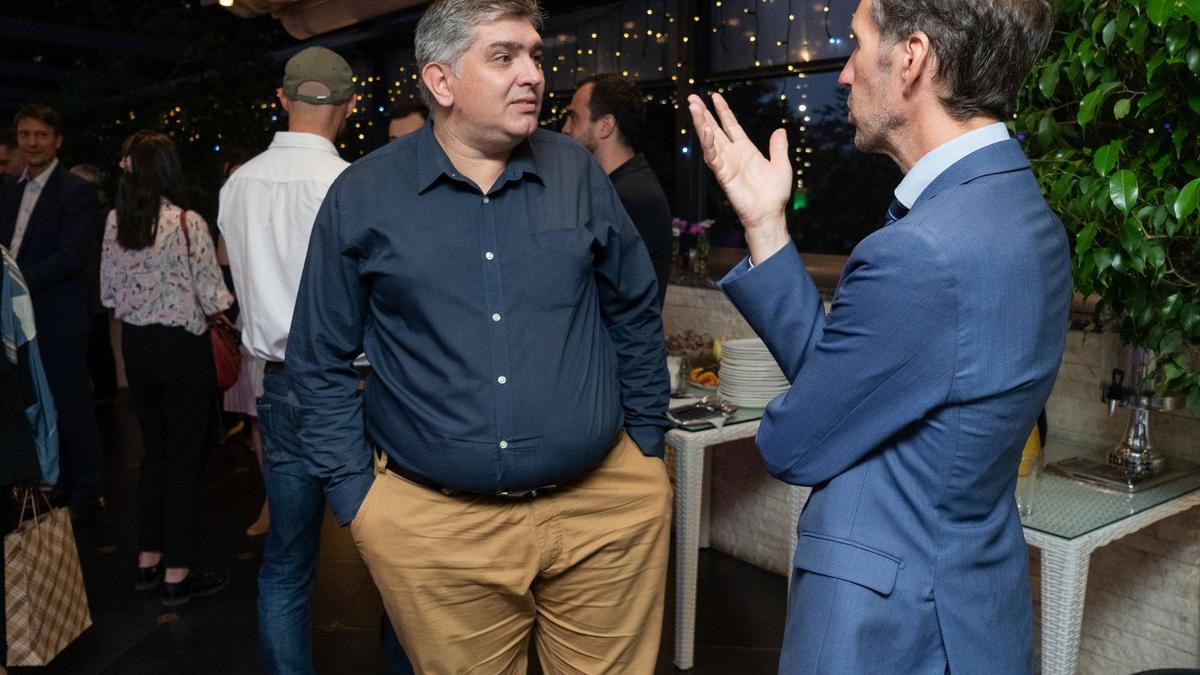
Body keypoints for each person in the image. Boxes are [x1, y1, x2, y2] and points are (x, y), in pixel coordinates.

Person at [287, 0, 672, 671]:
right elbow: (318, 358)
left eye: (536, 56)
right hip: (438, 530)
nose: (533, 75)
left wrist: (644, 445)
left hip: (603, 511)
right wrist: (358, 497)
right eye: (504, 57)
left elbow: (634, 307)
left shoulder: (576, 170)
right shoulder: (364, 194)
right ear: (441, 81)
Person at [686, 0, 1067, 672]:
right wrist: (767, 227)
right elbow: (856, 394)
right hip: (974, 612)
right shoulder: (1025, 211)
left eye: (856, 43)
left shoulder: (921, 251)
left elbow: (795, 441)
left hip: (888, 633)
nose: (842, 73)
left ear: (912, 57)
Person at [217, 46, 362, 675]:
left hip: (280, 386)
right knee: (394, 559)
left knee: (286, 562)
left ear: (282, 99)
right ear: (350, 106)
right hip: (354, 386)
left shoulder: (238, 183)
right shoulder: (351, 183)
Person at [100, 130, 234, 605]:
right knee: (184, 459)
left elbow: (108, 293)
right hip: (181, 348)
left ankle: (147, 559)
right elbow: (212, 296)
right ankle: (178, 571)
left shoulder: (115, 221)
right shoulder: (186, 222)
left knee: (154, 453)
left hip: (136, 347)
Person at [0, 104, 105, 515]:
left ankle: (87, 488)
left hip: (58, 316)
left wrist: (14, 283)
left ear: (57, 141)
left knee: (71, 404)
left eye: (40, 135)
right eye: (25, 134)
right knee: (30, 404)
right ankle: (53, 481)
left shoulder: (75, 191)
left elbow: (69, 258)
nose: (31, 142)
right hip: (15, 319)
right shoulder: (10, 188)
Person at [562, 73, 672, 307]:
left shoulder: (630, 196)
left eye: (573, 117)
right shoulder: (621, 185)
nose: (565, 128)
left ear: (605, 126)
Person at [70, 163, 119, 402]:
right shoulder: (94, 217)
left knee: (97, 347)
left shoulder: (99, 219)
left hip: (91, 295)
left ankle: (105, 396)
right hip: (88, 295)